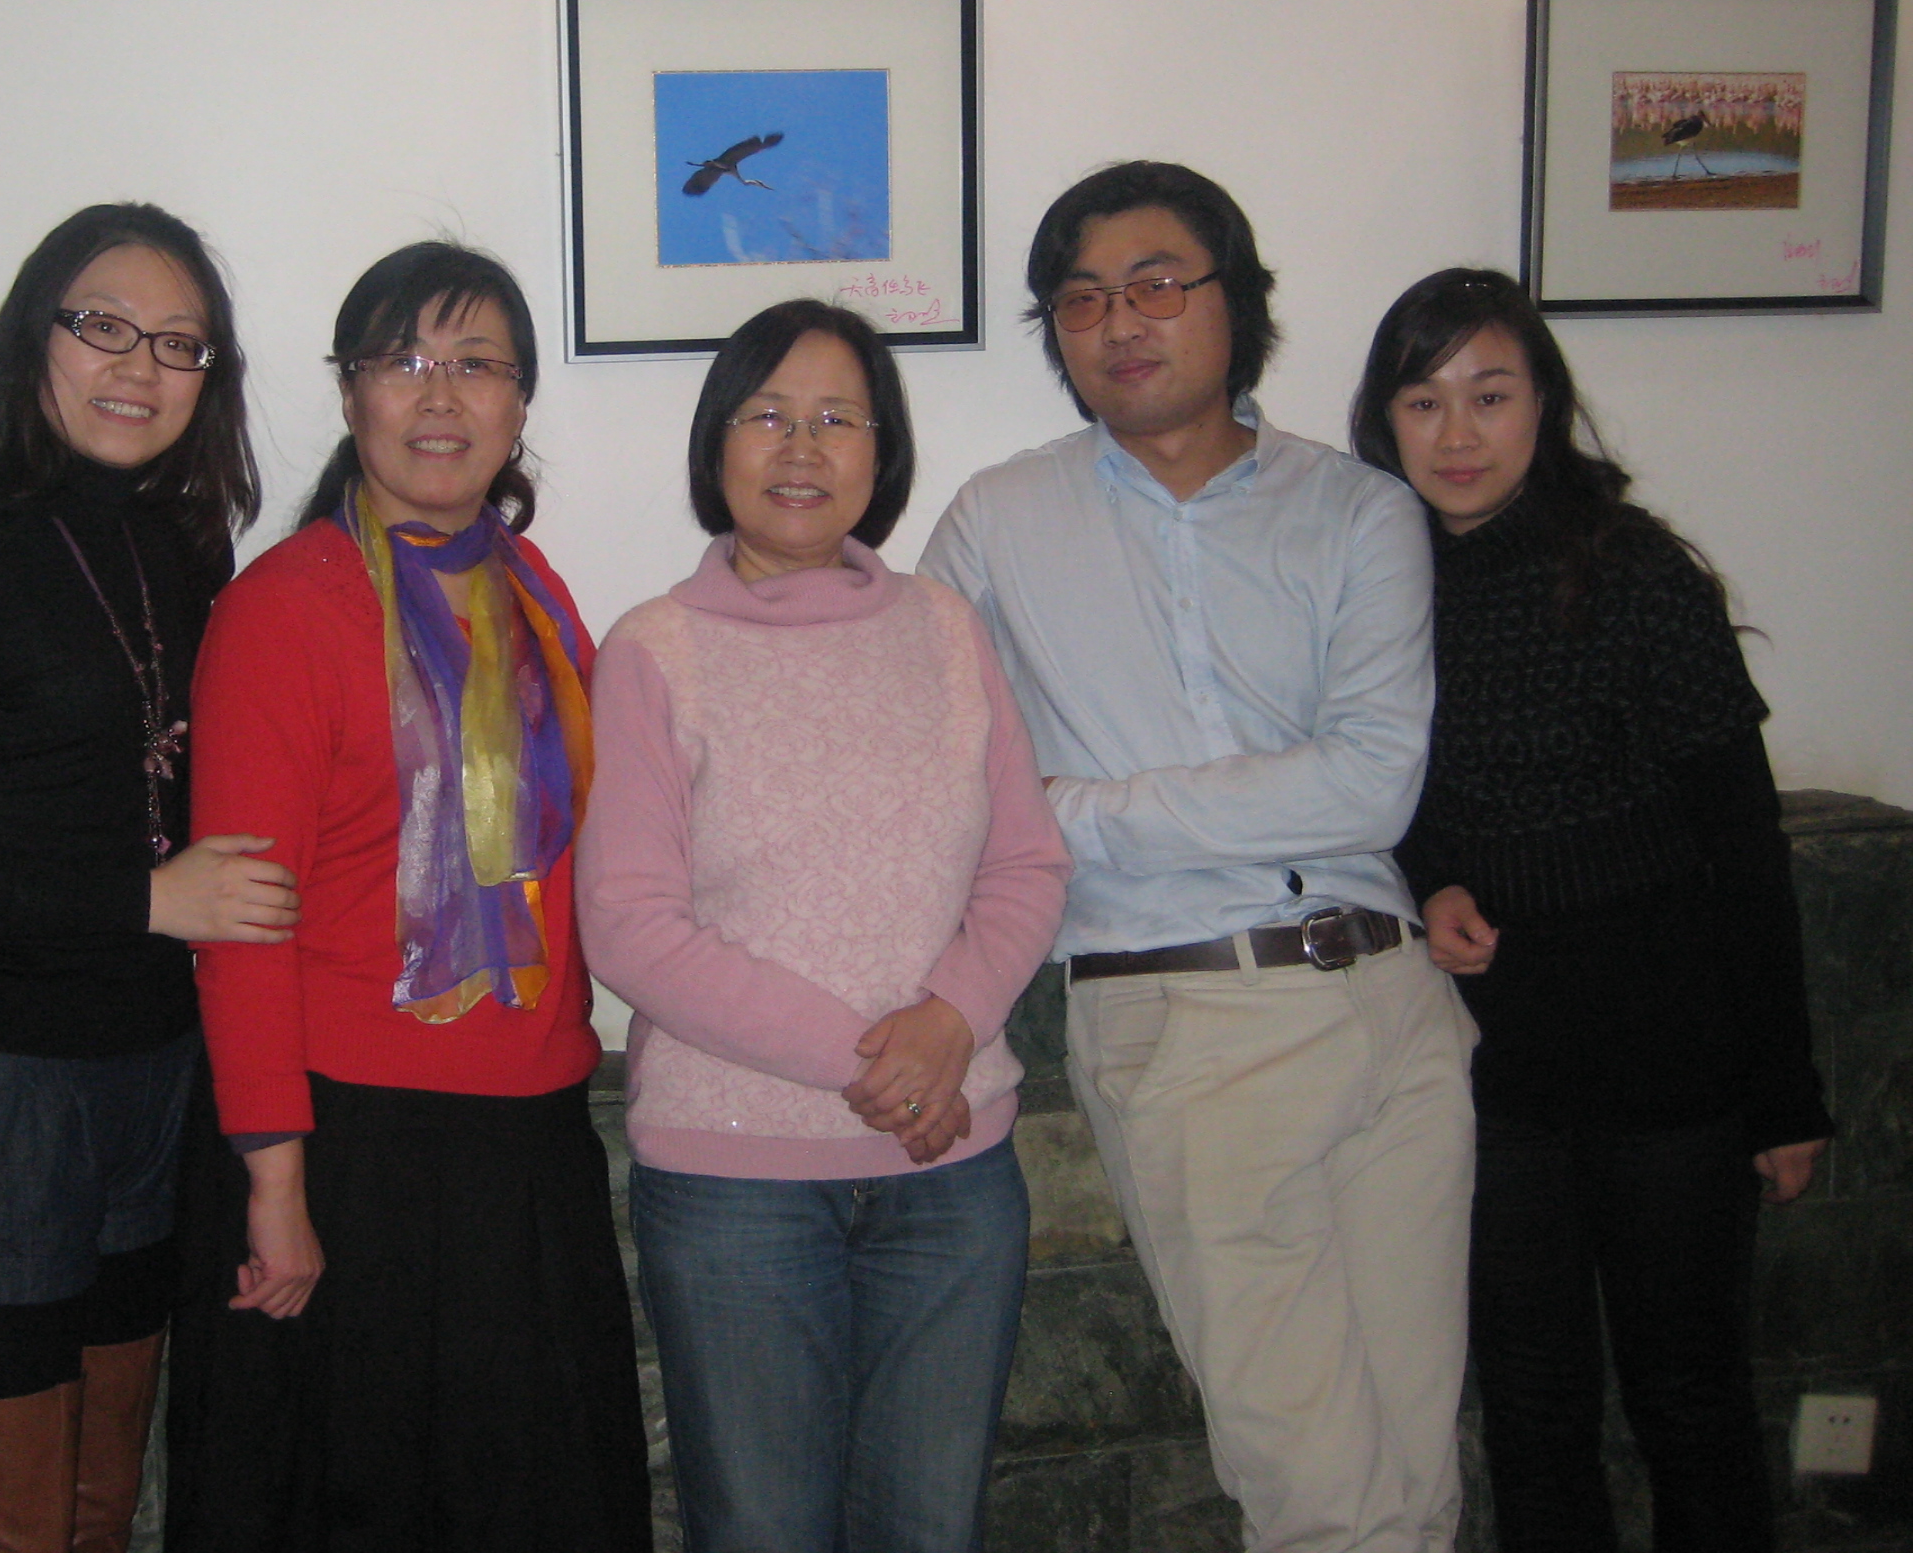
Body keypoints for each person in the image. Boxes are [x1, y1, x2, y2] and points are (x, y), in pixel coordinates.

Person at [921, 162, 1471, 1553]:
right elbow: (932, 766)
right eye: (1083, 300)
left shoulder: (1360, 511)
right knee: (1320, 1495)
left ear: (1238, 301)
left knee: (1418, 1477)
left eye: (1158, 284)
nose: (1121, 321)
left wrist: (1082, 810)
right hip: (1189, 1015)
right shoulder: (995, 523)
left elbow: (1373, 785)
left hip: (1397, 1007)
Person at [167, 242, 651, 1552]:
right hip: (345, 1148)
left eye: (477, 365)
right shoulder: (284, 608)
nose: (441, 396)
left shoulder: (538, 599)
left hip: (527, 1141)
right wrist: (276, 1184)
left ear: (521, 403)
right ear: (350, 395)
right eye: (403, 361)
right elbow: (241, 925)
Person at [0, 202, 296, 1553]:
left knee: (104, 1492)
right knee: (7, 1508)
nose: (139, 366)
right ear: (33, 337)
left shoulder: (191, 554)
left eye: (179, 342)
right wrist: (146, 899)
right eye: (104, 326)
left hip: (157, 1074)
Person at [576, 299, 1069, 1552]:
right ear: (717, 444)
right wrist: (883, 1064)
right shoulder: (654, 650)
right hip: (736, 1188)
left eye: (840, 418)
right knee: (762, 1532)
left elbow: (1025, 864)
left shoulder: (946, 631)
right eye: (768, 415)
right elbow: (629, 927)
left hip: (952, 1181)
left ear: (881, 452)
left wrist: (952, 1024)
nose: (803, 447)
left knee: (930, 1530)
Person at [1350, 267, 1830, 1553]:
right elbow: (1382, 789)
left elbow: (1745, 847)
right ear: (1384, 421)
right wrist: (1433, 878)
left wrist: (1784, 1093)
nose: (1457, 434)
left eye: (1491, 395)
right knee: (1531, 1406)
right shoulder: (1375, 586)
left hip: (1672, 1063)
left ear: (1545, 404)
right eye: (1423, 401)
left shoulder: (1634, 571)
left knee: (1692, 1398)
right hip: (1495, 1071)